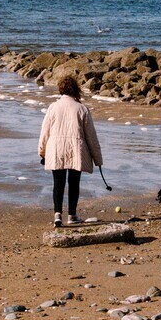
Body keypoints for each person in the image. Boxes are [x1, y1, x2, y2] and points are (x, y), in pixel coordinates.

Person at [38, 73, 103, 227]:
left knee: (58, 183)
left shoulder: (53, 107)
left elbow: (45, 131)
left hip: (56, 148)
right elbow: (91, 137)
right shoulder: (82, 109)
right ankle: (72, 215)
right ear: (76, 89)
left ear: (61, 89)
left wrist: (42, 151)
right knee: (74, 183)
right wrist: (98, 159)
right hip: (76, 149)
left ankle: (57, 215)